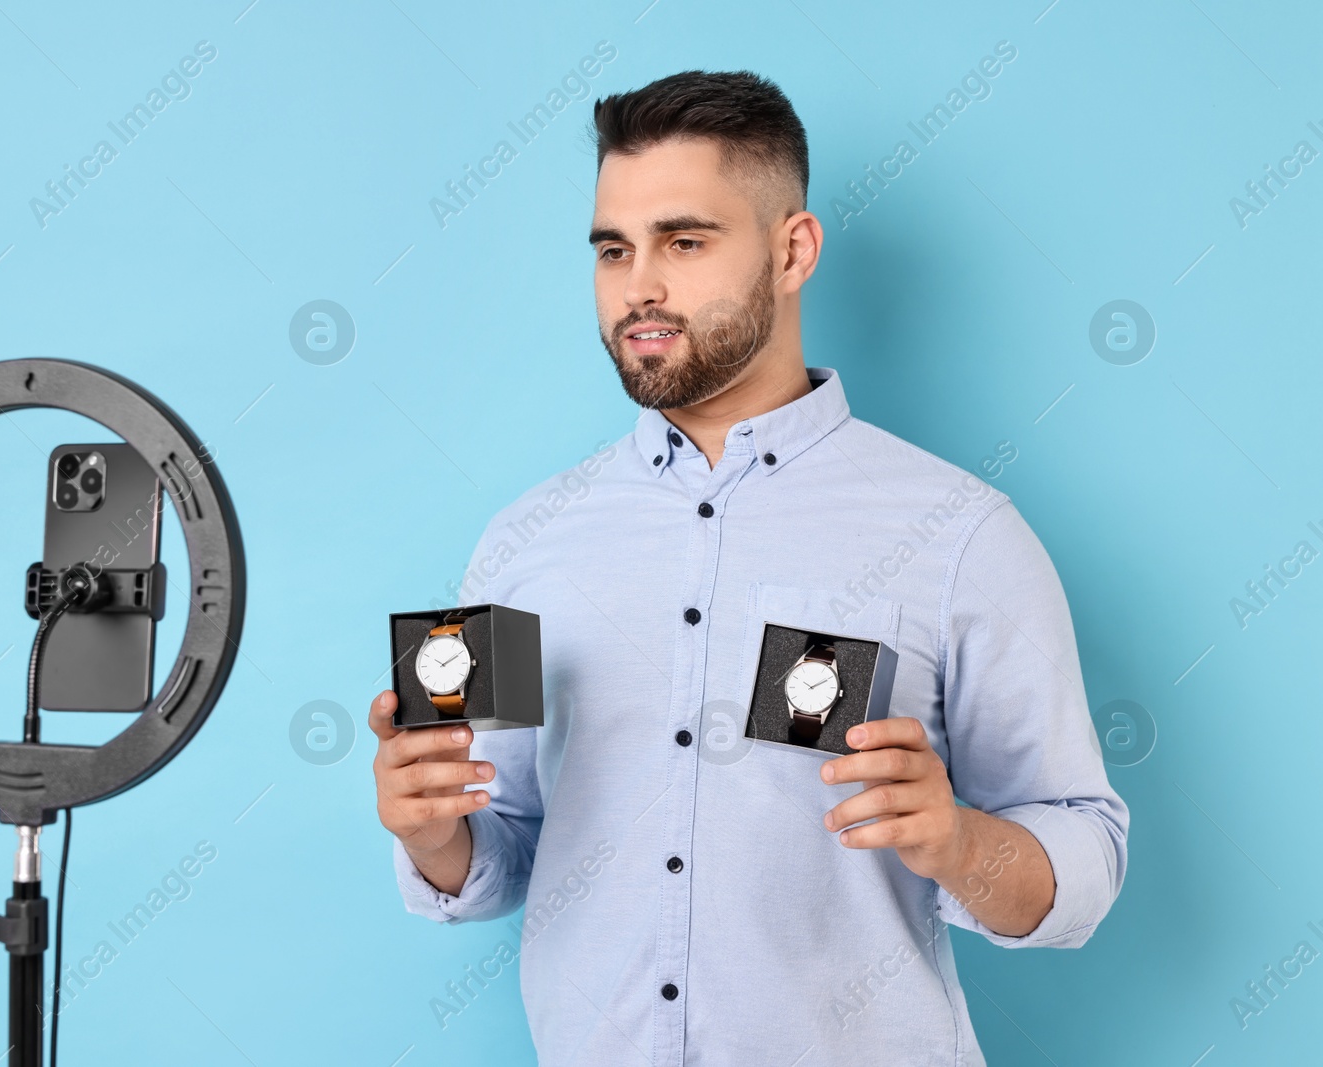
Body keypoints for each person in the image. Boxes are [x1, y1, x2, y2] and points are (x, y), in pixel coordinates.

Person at [370, 69, 1127, 1066]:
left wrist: (953, 839)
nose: (639, 283)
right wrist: (427, 832)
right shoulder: (522, 541)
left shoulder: (958, 531)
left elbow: (1084, 845)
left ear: (791, 250)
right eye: (612, 248)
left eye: (684, 241)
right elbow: (501, 840)